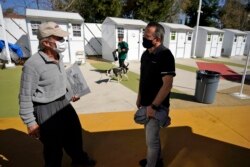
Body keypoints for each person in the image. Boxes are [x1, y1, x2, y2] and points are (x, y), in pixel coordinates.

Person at [19, 21, 96, 167]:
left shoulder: (58, 57)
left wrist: (71, 92)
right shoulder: (32, 65)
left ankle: (80, 161)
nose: (63, 41)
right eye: (59, 38)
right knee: (53, 149)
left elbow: (60, 79)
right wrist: (30, 123)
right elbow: (24, 96)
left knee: (74, 137)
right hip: (45, 109)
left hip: (64, 104)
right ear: (46, 42)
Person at [136, 22, 176, 167]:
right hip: (146, 104)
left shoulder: (165, 55)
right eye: (143, 34)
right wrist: (139, 97)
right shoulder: (145, 55)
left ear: (157, 39)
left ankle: (151, 164)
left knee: (151, 141)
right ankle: (157, 160)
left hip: (157, 106)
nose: (143, 38)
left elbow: (167, 85)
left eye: (147, 36)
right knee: (152, 137)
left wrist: (153, 106)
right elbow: (143, 78)